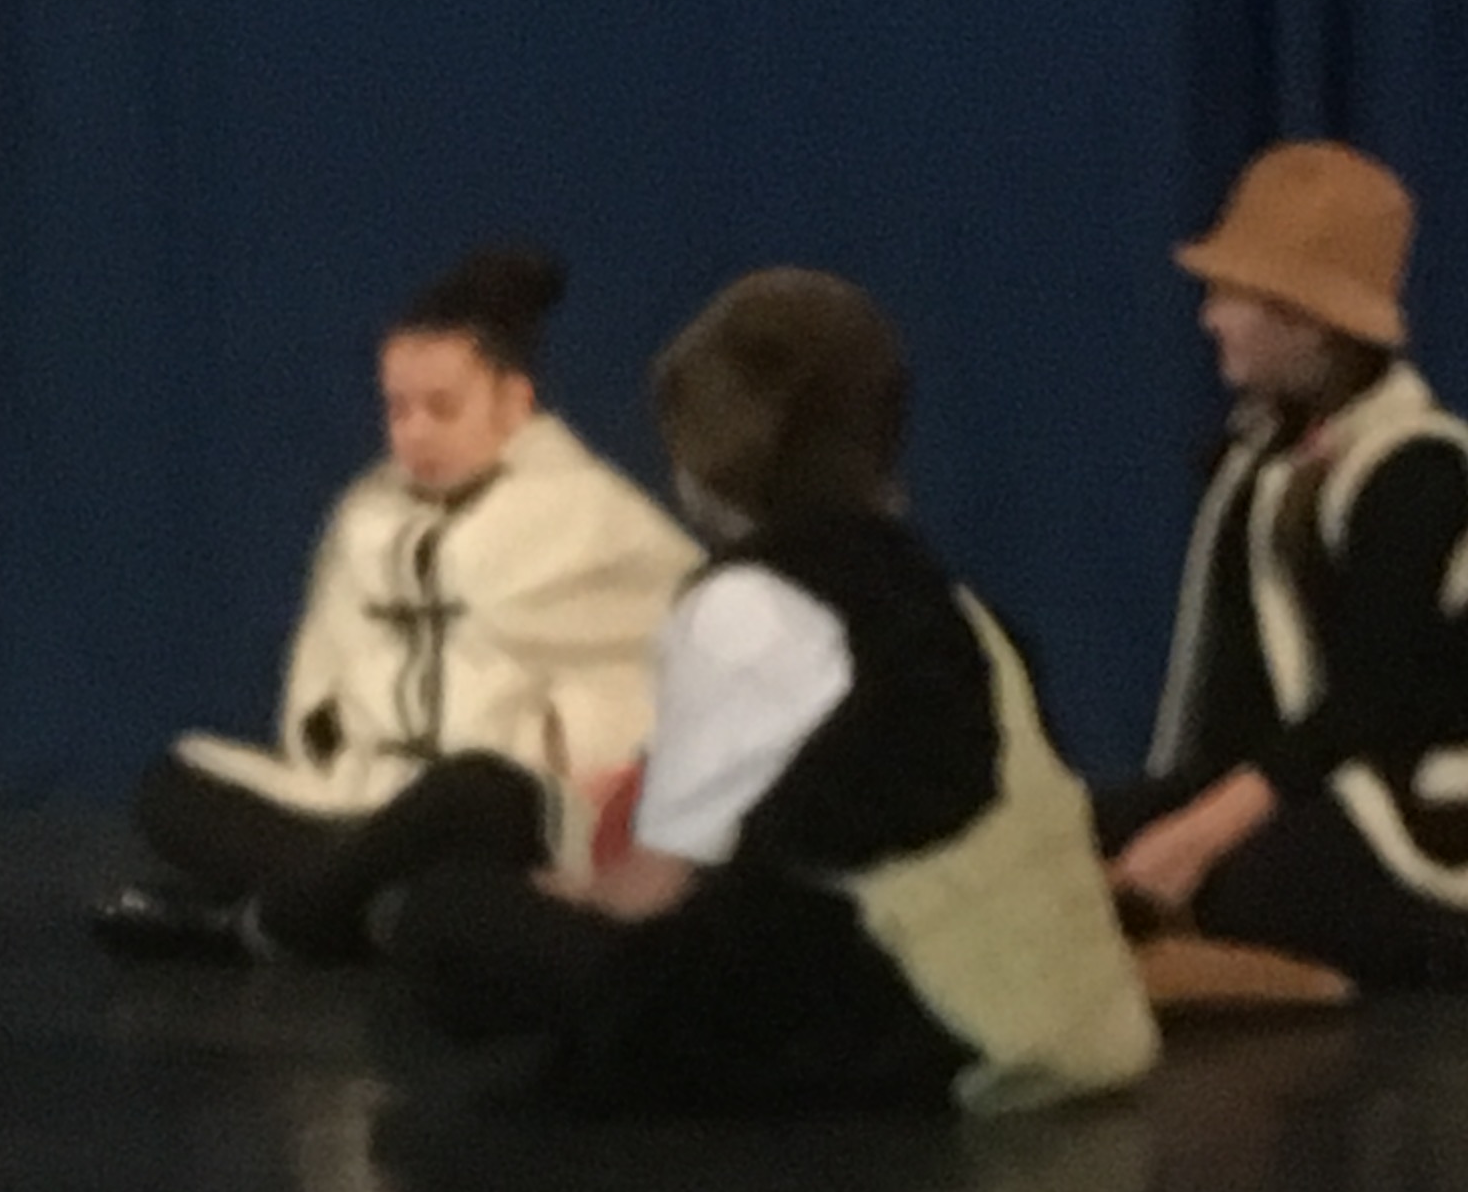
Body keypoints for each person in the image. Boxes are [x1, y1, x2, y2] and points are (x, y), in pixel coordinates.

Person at [390, 269, 1156, 1120]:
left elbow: (653, 889)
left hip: (919, 1023)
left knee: (449, 918)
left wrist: (561, 896)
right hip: (1072, 1020)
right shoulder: (956, 604)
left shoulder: (747, 601)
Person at [1102, 141, 1468, 1001]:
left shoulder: (1420, 466)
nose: (1210, 319)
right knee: (1078, 842)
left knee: (1255, 882)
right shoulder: (1261, 463)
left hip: (1410, 781)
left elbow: (1373, 701)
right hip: (1300, 778)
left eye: (1231, 297)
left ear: (1307, 320)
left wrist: (1203, 831)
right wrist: (1171, 813)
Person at [94, 245, 696, 961]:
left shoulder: (592, 515)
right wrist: (333, 744)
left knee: (472, 792)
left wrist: (579, 745)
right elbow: (324, 667)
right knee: (175, 787)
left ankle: (272, 919)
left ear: (513, 401)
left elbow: (671, 670)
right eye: (398, 408)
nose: (414, 431)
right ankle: (377, 906)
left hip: (500, 812)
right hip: (364, 806)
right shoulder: (367, 515)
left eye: (442, 408)